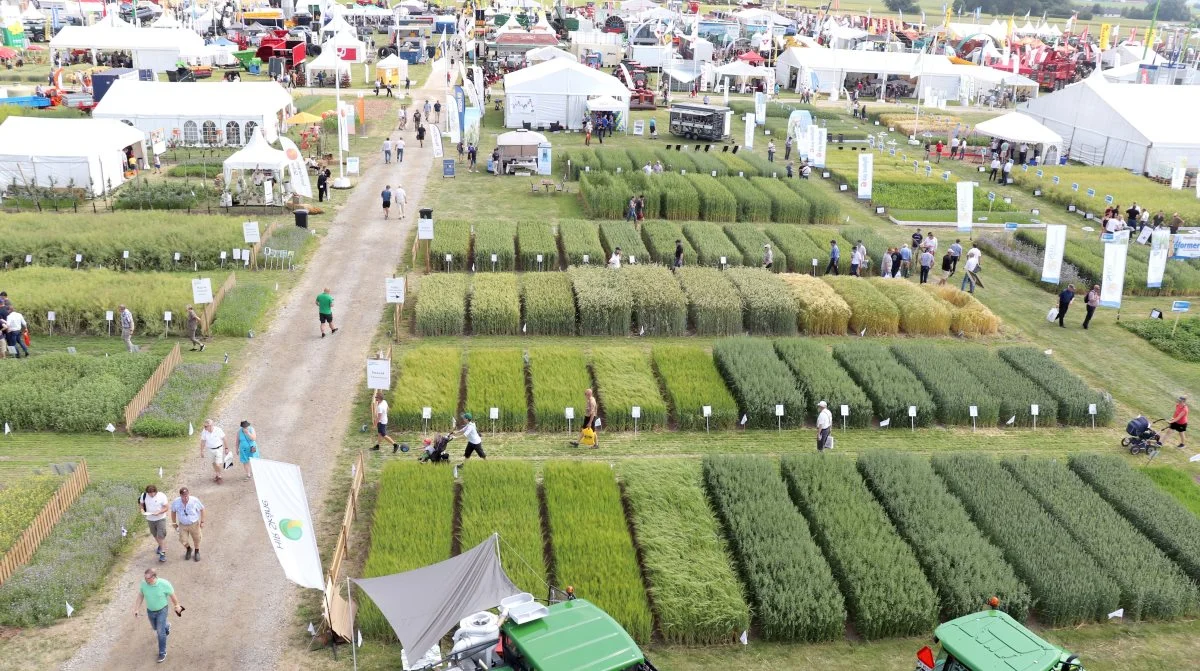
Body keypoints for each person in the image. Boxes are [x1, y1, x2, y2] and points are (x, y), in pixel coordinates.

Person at [132, 568, 182, 664]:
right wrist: (136, 608)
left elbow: (172, 595)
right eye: (145, 578)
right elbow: (140, 595)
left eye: (148, 578)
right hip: (150, 611)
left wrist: (177, 605)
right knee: (155, 627)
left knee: (160, 632)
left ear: (154, 577)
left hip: (162, 610)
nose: (146, 580)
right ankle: (167, 626)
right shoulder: (144, 584)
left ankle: (162, 653)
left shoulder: (164, 584)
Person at [170, 487, 204, 562]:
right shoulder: (176, 502)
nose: (185, 498)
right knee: (183, 539)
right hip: (183, 524)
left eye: (186, 495)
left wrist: (202, 521)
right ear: (180, 495)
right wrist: (174, 523)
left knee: (197, 538)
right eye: (183, 496)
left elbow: (202, 509)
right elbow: (173, 512)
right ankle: (189, 549)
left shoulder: (194, 500)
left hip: (194, 523)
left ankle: (197, 551)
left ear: (188, 494)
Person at [139, 485, 170, 562]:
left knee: (160, 535)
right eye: (150, 493)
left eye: (153, 493)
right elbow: (141, 504)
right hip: (150, 518)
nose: (152, 495)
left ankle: (162, 553)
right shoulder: (144, 495)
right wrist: (142, 510)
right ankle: (160, 545)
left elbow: (166, 507)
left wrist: (159, 512)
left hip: (160, 518)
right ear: (147, 492)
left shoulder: (162, 496)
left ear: (156, 491)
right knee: (155, 534)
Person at [198, 418, 227, 484]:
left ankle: (219, 476)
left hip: (218, 449)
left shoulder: (218, 430)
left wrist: (226, 448)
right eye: (204, 426)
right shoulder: (204, 431)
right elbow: (203, 441)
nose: (204, 427)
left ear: (210, 425)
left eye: (206, 426)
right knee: (213, 463)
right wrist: (201, 451)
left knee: (217, 464)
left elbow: (224, 438)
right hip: (210, 449)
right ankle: (217, 474)